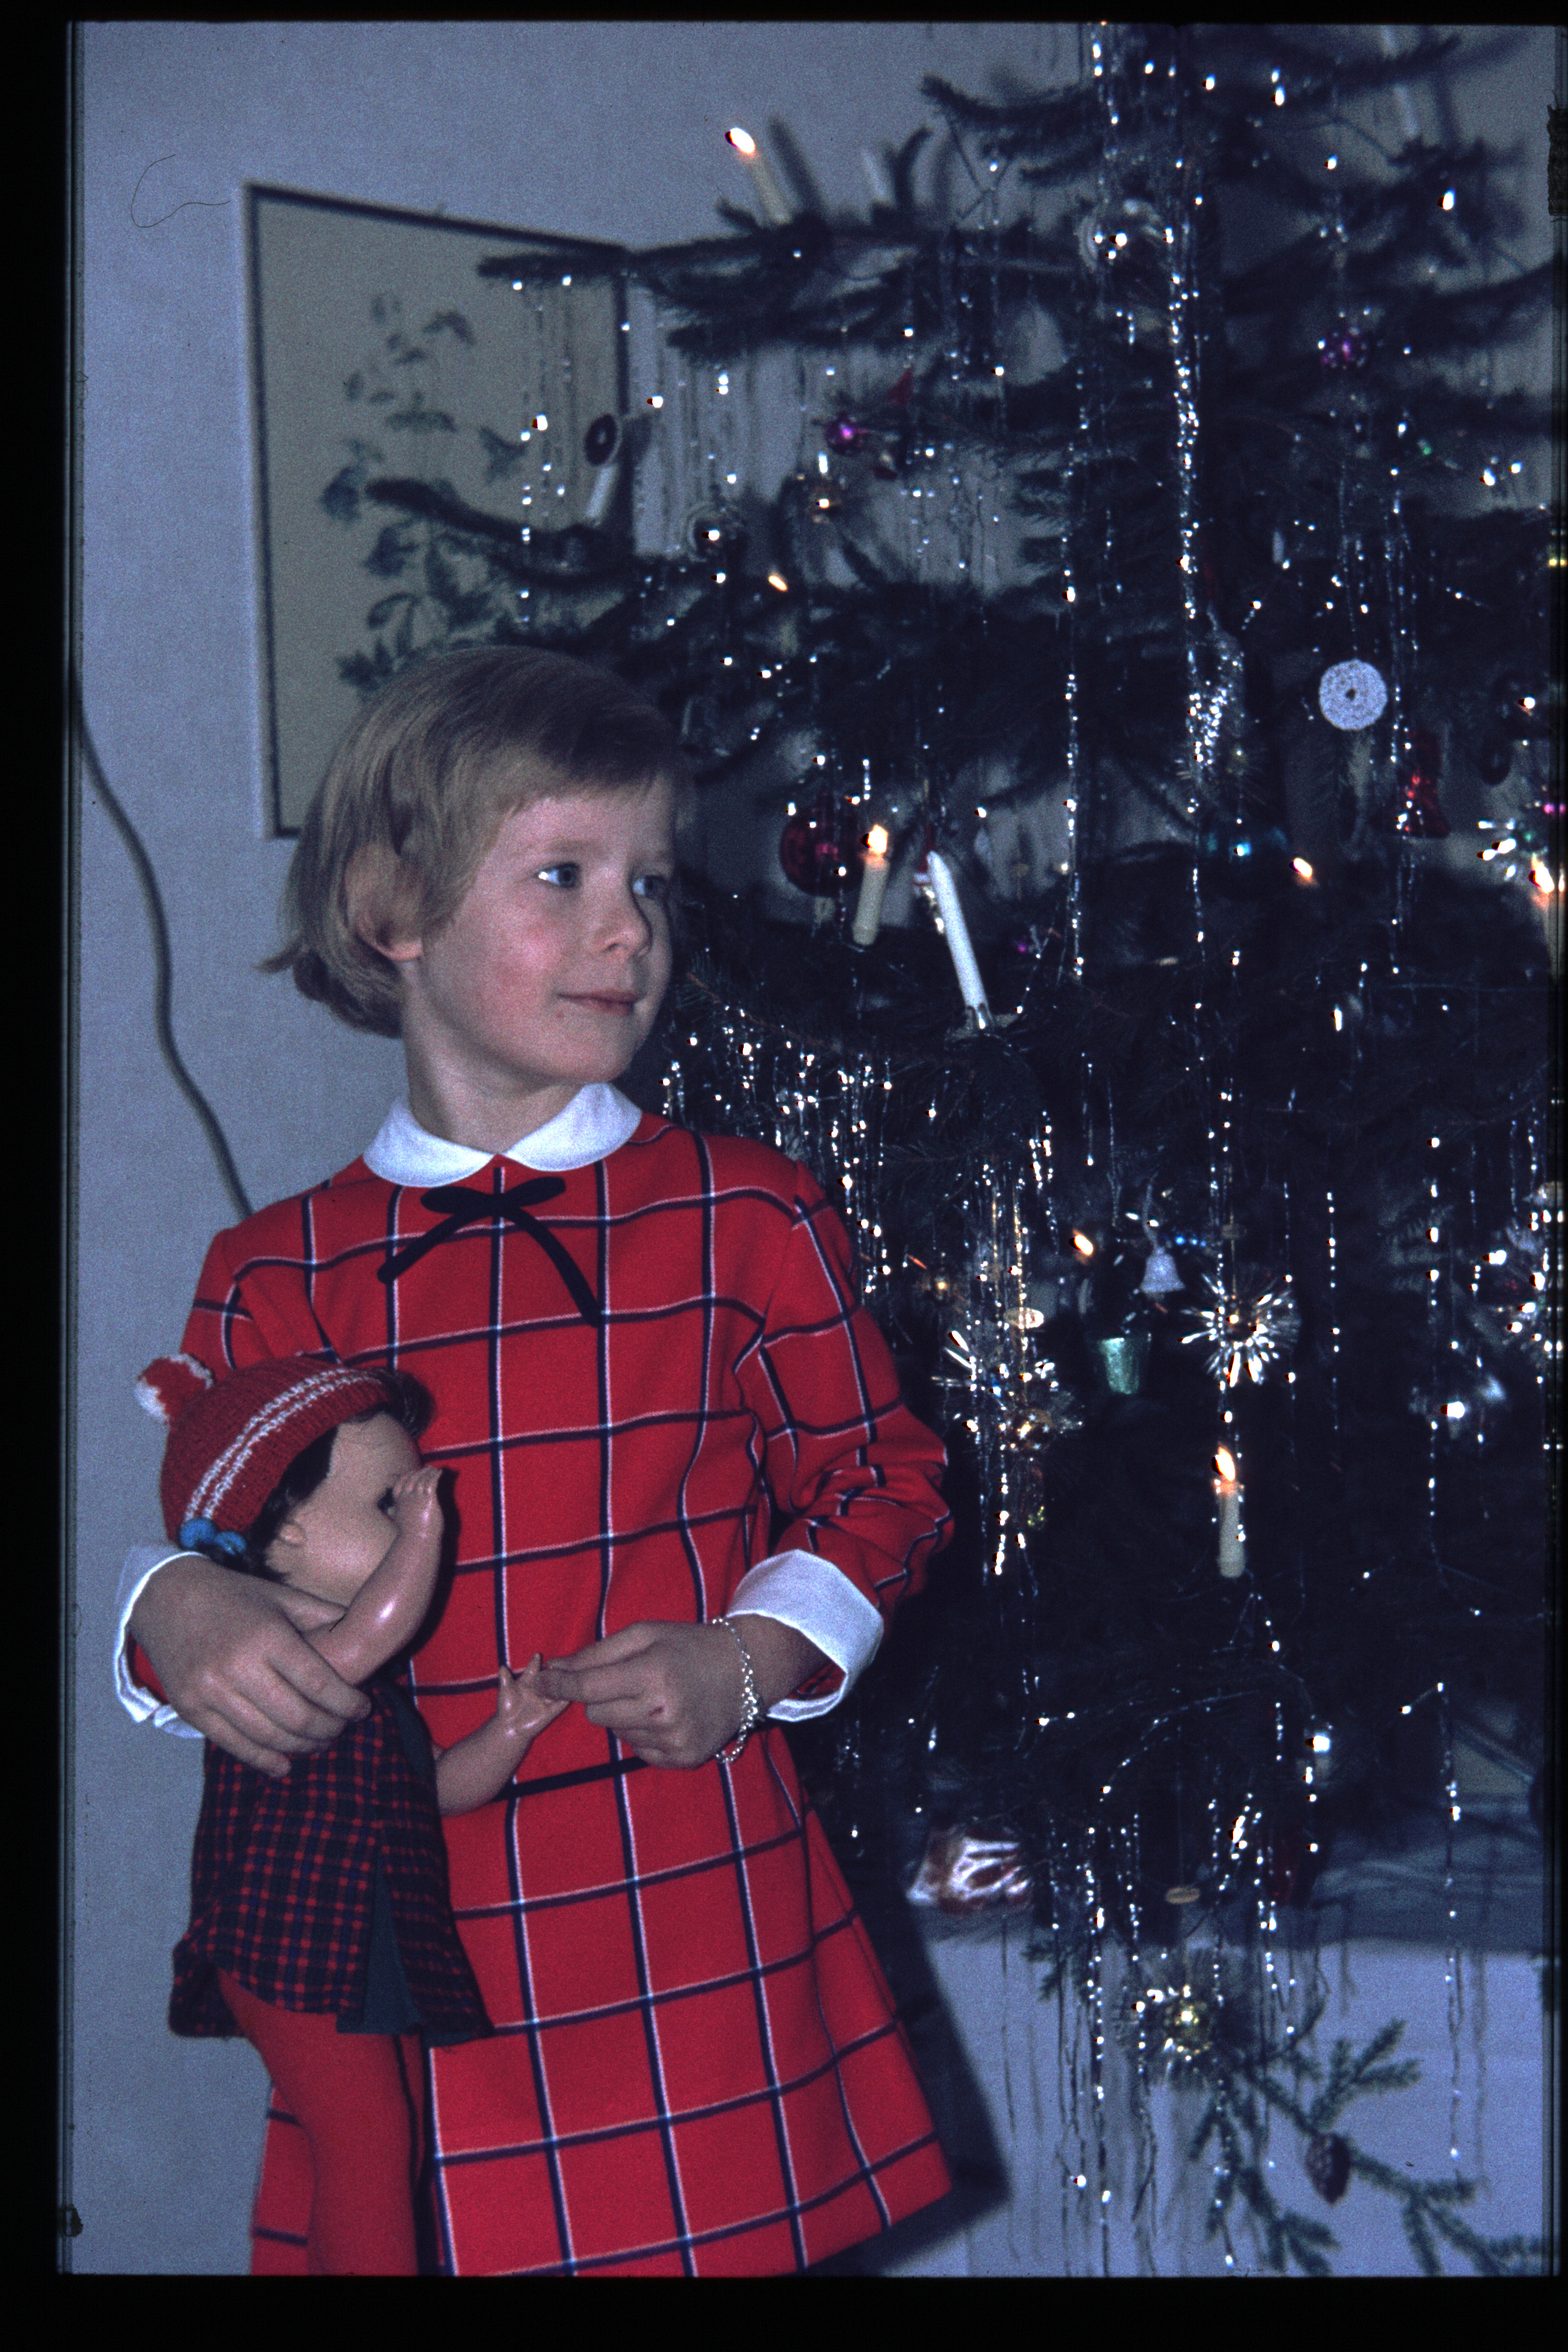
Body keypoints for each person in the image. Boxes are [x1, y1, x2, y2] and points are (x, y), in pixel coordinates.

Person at [118, 645, 953, 2276]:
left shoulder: (746, 1214)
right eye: (562, 875)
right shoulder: (276, 1267)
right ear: (392, 910)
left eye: (649, 881)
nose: (628, 928)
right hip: (385, 1911)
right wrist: (170, 1611)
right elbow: (216, 1551)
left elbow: (882, 1479)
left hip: (684, 1896)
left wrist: (751, 1655)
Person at [134, 1349, 567, 2275]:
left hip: (354, 1942)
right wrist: (422, 1532)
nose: (417, 1516)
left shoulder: (364, 1680)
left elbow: (432, 1788)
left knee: (382, 2149)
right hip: (288, 1942)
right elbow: (376, 1630)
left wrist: (510, 1731)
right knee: (368, 2150)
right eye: (384, 1504)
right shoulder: (277, 1644)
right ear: (285, 1532)